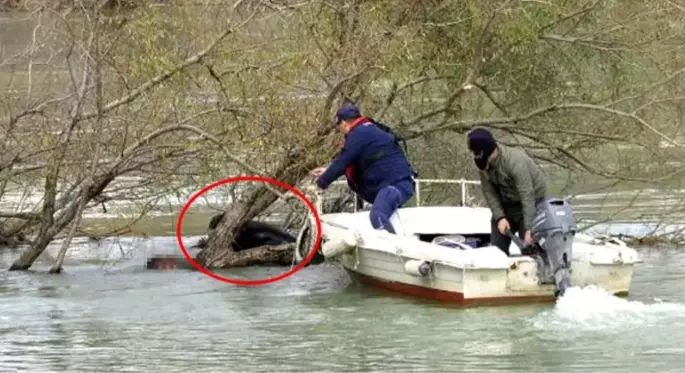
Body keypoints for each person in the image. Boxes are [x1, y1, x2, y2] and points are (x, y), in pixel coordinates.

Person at [311, 103, 417, 234]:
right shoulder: (369, 130)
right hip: (397, 183)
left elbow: (344, 160)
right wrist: (328, 169)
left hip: (395, 186)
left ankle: (396, 248)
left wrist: (320, 184)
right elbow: (355, 157)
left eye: (338, 127)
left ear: (343, 123)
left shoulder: (358, 134)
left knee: (377, 215)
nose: (340, 131)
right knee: (378, 213)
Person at [466, 127, 547, 255]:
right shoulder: (481, 162)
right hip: (507, 202)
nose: (484, 169)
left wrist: (529, 229)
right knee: (496, 249)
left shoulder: (515, 162)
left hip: (531, 202)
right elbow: (489, 192)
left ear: (491, 153)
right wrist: (500, 217)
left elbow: (527, 195)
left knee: (530, 248)